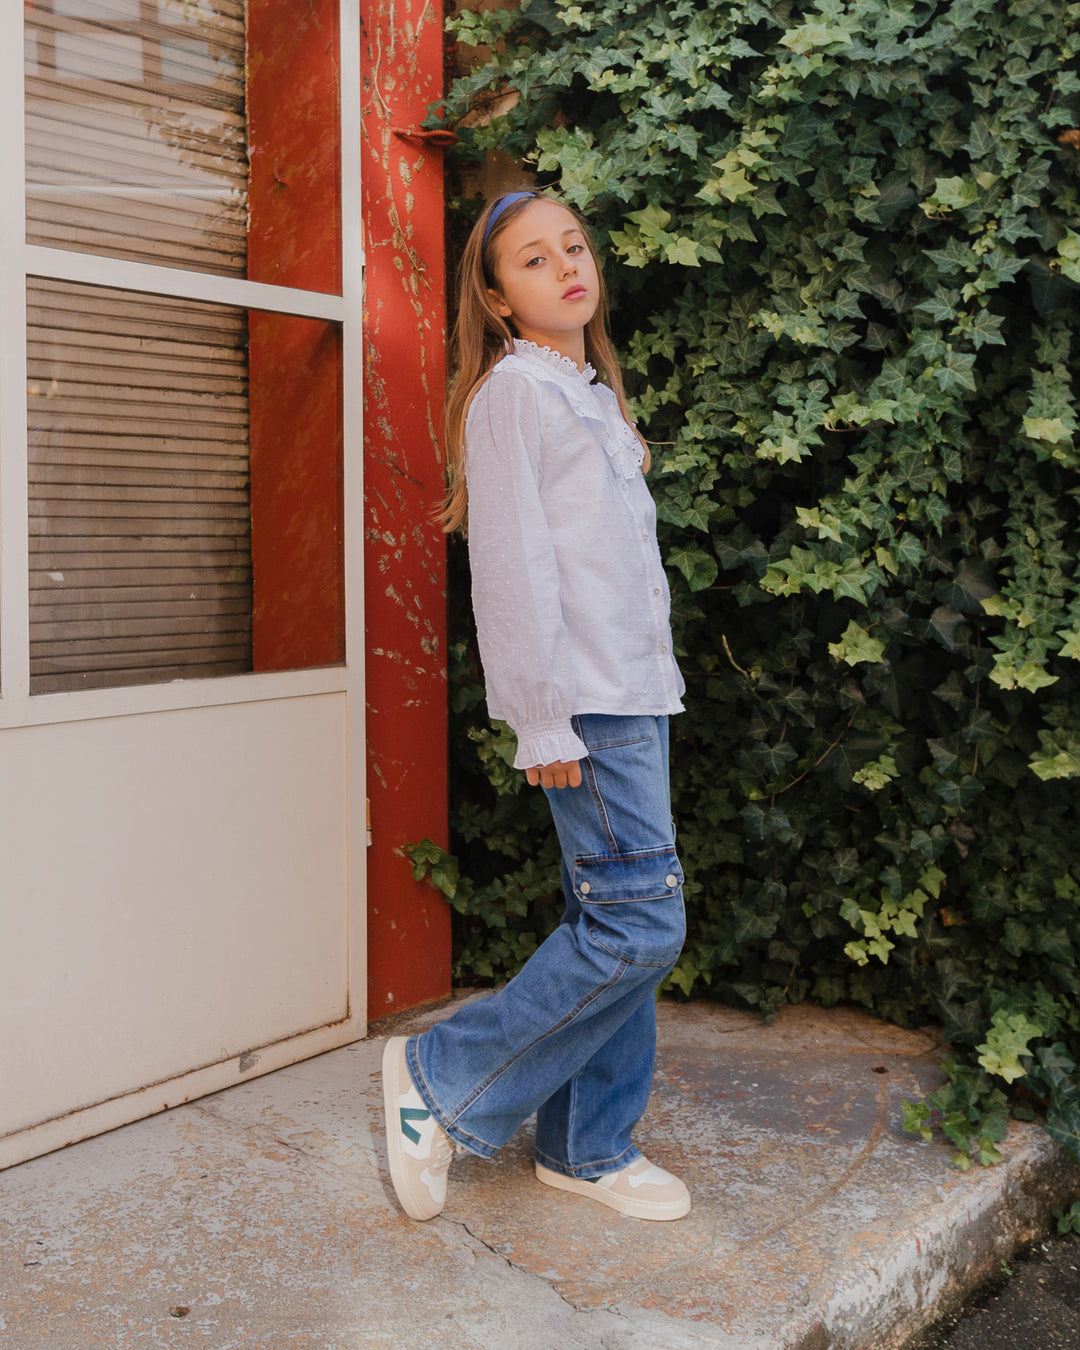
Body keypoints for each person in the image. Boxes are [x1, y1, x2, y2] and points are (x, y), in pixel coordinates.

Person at [381, 189, 690, 1223]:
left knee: (609, 918)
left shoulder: (586, 391)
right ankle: (439, 1076)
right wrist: (541, 719)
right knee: (638, 928)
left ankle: (586, 1143)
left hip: (631, 695)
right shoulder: (517, 394)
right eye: (531, 259)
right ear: (498, 297)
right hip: (586, 706)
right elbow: (510, 570)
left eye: (573, 246)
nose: (565, 265)